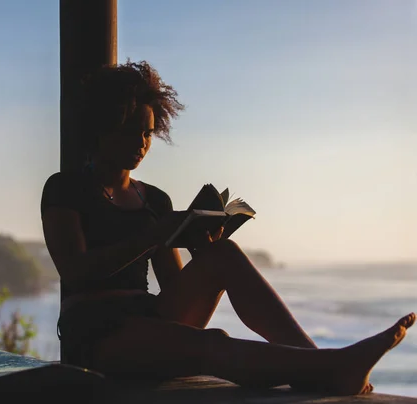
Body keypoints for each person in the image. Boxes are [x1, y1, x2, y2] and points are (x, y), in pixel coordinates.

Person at [40, 60, 414, 395]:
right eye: (131, 130)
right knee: (213, 343)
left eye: (149, 133)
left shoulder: (154, 199)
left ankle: (319, 362)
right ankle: (331, 368)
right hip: (97, 330)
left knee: (224, 255)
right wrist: (151, 236)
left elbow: (173, 286)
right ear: (102, 127)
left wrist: (198, 248)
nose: (141, 143)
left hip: (148, 315)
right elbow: (76, 271)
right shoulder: (65, 188)